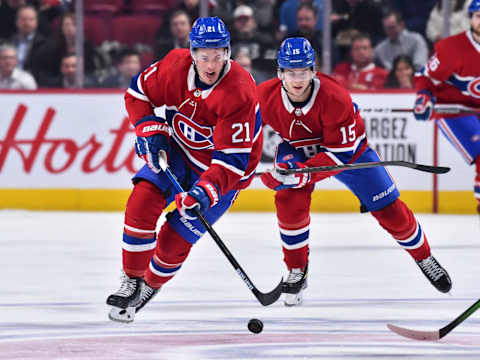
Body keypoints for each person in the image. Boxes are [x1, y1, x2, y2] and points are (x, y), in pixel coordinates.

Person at [257, 37, 452, 306]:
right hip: (299, 150)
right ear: (280, 73)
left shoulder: (334, 96)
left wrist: (303, 173)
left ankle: (424, 256)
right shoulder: (264, 96)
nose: (297, 78)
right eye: (291, 72)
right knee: (288, 198)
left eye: (303, 71)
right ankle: (297, 270)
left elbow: (341, 155)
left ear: (313, 70)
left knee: (390, 211)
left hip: (350, 153)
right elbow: (240, 135)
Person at [106, 17, 263, 322]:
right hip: (177, 152)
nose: (211, 62)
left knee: (173, 242)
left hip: (222, 175)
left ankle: (150, 286)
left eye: (218, 54)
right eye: (204, 55)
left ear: (228, 53)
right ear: (192, 53)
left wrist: (205, 192)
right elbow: (137, 94)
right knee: (142, 200)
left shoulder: (239, 91)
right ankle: (131, 281)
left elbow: (231, 162)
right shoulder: (174, 66)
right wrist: (149, 130)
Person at [414, 0, 480, 215]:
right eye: (478, 15)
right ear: (470, 19)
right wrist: (423, 97)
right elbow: (425, 76)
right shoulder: (452, 48)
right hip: (453, 110)